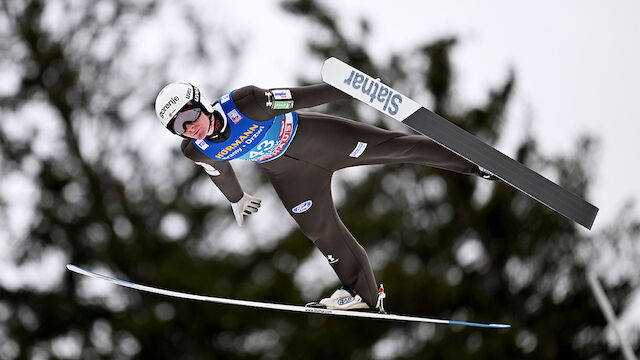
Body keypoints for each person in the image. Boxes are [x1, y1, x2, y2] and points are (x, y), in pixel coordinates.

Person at [154, 81, 496, 312]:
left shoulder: (247, 103)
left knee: (396, 148)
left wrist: (351, 90)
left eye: (188, 116)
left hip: (319, 139)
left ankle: (473, 162)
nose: (189, 127)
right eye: (177, 127)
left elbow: (300, 97)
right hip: (291, 176)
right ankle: (362, 294)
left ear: (199, 103)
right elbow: (219, 170)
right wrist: (237, 198)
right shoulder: (195, 149)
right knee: (321, 232)